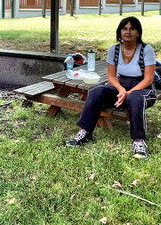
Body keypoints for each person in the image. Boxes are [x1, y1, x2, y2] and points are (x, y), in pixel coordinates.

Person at [66, 16, 156, 159]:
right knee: (96, 91)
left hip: (142, 88)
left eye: (132, 29)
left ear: (138, 32)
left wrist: (128, 93)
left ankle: (139, 141)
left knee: (135, 98)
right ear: (119, 32)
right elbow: (112, 76)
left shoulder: (146, 49)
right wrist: (121, 90)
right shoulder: (114, 49)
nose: (128, 32)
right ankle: (86, 133)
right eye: (124, 28)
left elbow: (149, 78)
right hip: (121, 84)